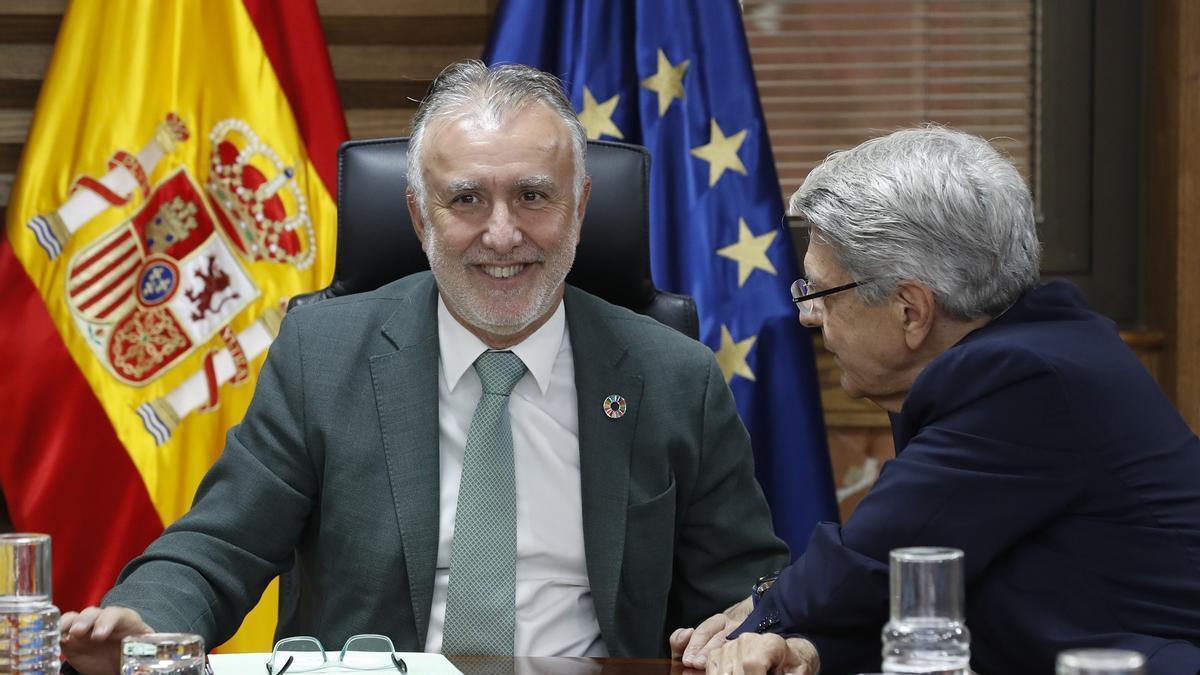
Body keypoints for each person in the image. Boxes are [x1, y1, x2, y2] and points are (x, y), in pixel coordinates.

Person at [59, 60, 788, 675]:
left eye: (533, 195)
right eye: (466, 199)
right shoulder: (323, 354)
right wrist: (148, 619)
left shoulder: (673, 375)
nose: (503, 234)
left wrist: (756, 625)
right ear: (418, 216)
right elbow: (217, 544)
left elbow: (748, 588)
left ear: (581, 206)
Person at [671, 126, 1200, 675]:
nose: (807, 316)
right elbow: (941, 598)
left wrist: (751, 624)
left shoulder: (1020, 382)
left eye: (820, 293)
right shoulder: (1044, 345)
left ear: (911, 311)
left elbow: (875, 558)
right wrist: (807, 650)